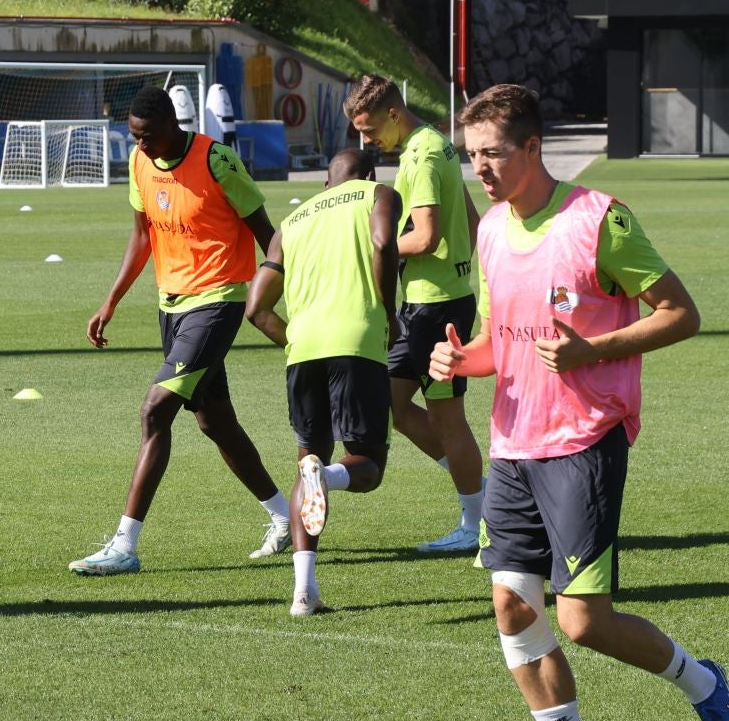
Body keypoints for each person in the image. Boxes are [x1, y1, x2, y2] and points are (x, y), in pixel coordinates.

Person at [429, 84, 729, 721]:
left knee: (582, 620)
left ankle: (705, 685)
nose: (480, 169)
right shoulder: (489, 231)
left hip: (582, 440)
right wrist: (459, 361)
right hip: (511, 443)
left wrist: (591, 350)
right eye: (471, 156)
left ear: (534, 148)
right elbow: (497, 343)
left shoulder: (598, 220)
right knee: (512, 609)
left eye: (493, 154)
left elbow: (682, 313)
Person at [74, 87, 292, 575]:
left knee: (156, 411)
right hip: (170, 306)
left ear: (173, 124)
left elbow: (266, 232)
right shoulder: (139, 163)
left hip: (217, 302)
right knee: (215, 422)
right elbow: (142, 235)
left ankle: (124, 545)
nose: (141, 145)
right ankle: (285, 516)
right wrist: (111, 301)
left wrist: (282, 293)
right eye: (134, 137)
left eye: (148, 136)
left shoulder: (217, 161)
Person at [245, 148, 401, 616]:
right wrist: (388, 312)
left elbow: (255, 308)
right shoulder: (379, 193)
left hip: (303, 348)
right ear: (367, 175)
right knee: (367, 464)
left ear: (324, 183)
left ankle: (303, 592)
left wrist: (295, 341)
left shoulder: (293, 222)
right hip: (356, 340)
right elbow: (382, 243)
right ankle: (329, 477)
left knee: (306, 461)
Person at [345, 74, 487, 554]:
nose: (366, 141)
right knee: (395, 405)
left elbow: (425, 237)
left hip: (436, 305)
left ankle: (478, 520)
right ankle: (480, 502)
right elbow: (471, 219)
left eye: (368, 130)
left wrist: (369, 253)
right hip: (430, 301)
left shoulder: (423, 156)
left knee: (448, 418)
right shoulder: (434, 144)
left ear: (392, 113)